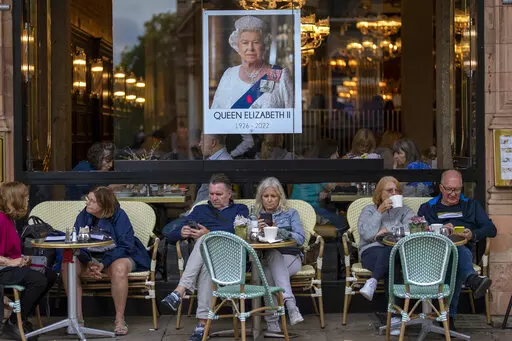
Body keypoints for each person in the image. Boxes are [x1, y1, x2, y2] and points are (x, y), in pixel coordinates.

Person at [161, 174, 248, 341]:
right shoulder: (201, 210)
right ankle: (202, 324)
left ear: (229, 194)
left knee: (203, 239)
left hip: (233, 261)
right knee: (207, 267)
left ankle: (180, 290)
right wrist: (181, 232)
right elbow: (170, 236)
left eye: (219, 194)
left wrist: (210, 234)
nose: (214, 198)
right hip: (207, 262)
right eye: (211, 194)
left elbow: (241, 232)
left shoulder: (240, 210)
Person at [62, 186, 150, 336]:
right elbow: (76, 243)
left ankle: (119, 319)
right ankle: (76, 319)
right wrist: (89, 262)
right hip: (91, 258)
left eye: (91, 201)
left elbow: (125, 246)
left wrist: (103, 264)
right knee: (68, 264)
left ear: (103, 205)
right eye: (87, 200)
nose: (87, 203)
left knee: (119, 268)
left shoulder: (119, 216)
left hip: (117, 256)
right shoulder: (84, 215)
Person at [418, 170, 495, 330]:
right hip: (435, 255)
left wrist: (472, 234)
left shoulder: (471, 205)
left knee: (456, 255)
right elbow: (419, 231)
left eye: (457, 189)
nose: (453, 194)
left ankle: (446, 319)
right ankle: (471, 281)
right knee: (455, 254)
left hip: (462, 253)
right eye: (449, 189)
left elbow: (491, 229)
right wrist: (440, 231)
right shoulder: (428, 207)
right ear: (441, 188)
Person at [0, 181, 57, 338]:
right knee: (37, 280)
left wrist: (23, 258)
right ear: (15, 199)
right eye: (25, 197)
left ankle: (21, 316)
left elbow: (10, 252)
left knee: (50, 275)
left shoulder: (10, 219)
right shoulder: (0, 220)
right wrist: (10, 262)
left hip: (10, 266)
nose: (27, 200)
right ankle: (14, 321)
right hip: (2, 269)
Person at [255, 177, 306, 332]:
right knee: (270, 264)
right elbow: (246, 241)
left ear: (280, 197)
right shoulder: (254, 216)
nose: (270, 200)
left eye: (273, 196)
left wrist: (280, 232)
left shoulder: (290, 213)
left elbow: (300, 238)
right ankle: (291, 307)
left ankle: (272, 321)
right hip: (265, 259)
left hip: (290, 256)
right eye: (266, 196)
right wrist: (255, 230)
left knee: (269, 272)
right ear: (261, 198)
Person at [211, 15, 293, 110]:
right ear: (238, 46)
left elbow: (292, 117)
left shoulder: (280, 76)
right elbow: (216, 114)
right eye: (245, 43)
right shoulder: (229, 75)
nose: (250, 48)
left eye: (256, 42)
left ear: (264, 45)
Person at [358, 176, 414, 302]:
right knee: (392, 260)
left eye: (397, 190)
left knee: (392, 255)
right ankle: (396, 313)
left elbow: (413, 227)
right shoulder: (369, 211)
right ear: (380, 193)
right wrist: (379, 211)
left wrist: (388, 231)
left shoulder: (404, 211)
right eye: (389, 190)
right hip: (371, 251)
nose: (394, 193)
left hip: (398, 251)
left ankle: (373, 281)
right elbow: (366, 235)